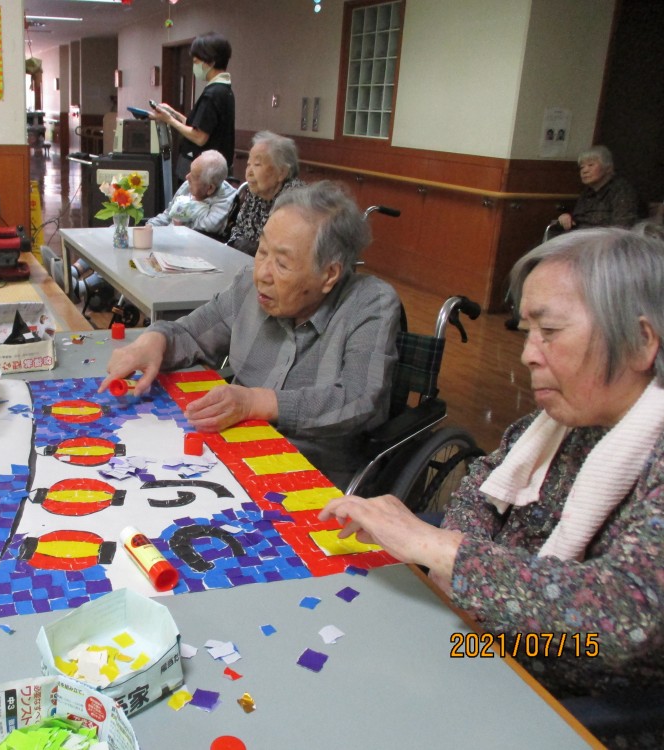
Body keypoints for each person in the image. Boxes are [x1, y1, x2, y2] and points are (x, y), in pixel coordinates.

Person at [320, 227, 664, 747]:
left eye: (548, 331)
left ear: (641, 342)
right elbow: (479, 491)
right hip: (487, 637)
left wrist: (444, 551)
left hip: (564, 692)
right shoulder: (550, 425)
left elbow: (627, 618)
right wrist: (447, 569)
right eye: (527, 332)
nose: (527, 354)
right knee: (341, 667)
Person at [100, 180, 401, 487]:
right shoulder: (247, 287)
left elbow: (360, 399)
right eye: (262, 251)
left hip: (312, 475)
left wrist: (254, 403)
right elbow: (190, 333)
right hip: (231, 456)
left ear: (329, 275)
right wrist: (154, 341)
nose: (262, 274)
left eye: (282, 263)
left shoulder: (369, 303)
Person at [150, 32, 235, 177]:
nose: (194, 66)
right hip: (215, 167)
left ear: (211, 62)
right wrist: (173, 113)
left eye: (196, 62)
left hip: (204, 171)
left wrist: (168, 120)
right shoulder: (224, 90)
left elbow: (199, 137)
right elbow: (197, 125)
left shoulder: (213, 94)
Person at [227, 131, 306, 256]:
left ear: (282, 172)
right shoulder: (256, 192)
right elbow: (237, 230)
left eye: (257, 165)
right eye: (248, 164)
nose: (249, 172)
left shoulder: (296, 202)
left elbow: (282, 251)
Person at [145, 149, 237, 235]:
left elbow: (209, 227)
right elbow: (168, 214)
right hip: (171, 237)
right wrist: (149, 226)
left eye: (194, 176)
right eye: (190, 171)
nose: (187, 177)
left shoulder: (226, 197)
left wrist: (181, 224)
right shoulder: (188, 184)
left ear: (210, 188)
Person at [557, 146, 639, 230]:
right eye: (582, 167)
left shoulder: (621, 190)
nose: (584, 171)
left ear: (608, 168)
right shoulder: (587, 192)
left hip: (604, 239)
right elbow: (577, 219)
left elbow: (623, 226)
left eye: (590, 165)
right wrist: (568, 217)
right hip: (581, 236)